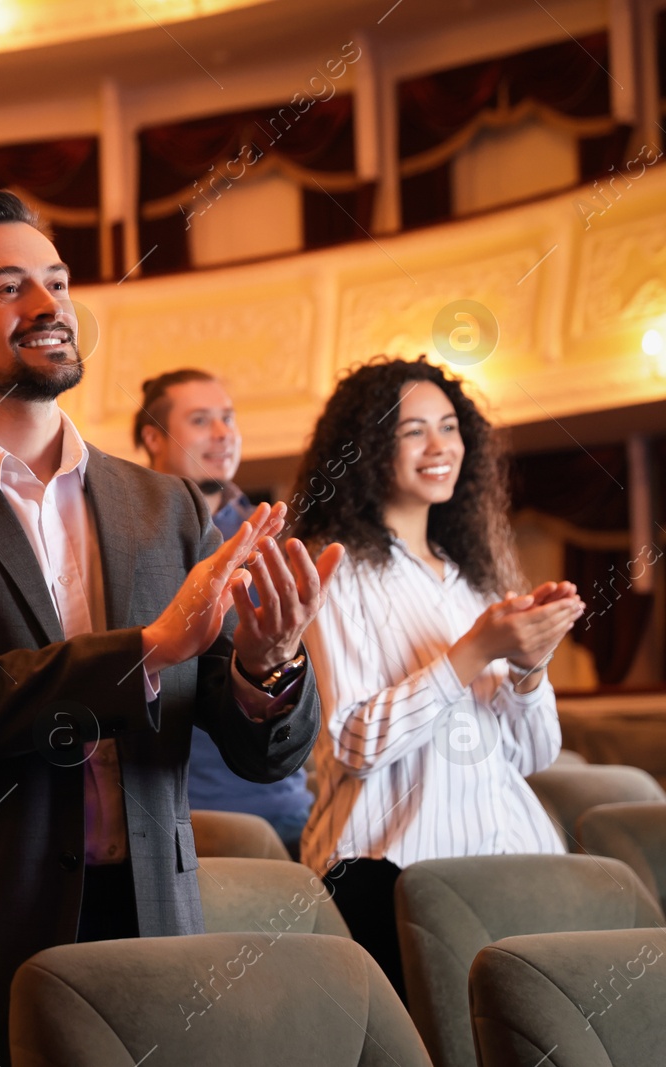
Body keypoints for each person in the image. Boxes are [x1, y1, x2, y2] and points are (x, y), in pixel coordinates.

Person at [0, 190, 343, 1065]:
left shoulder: (161, 503)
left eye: (57, 281)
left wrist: (266, 667)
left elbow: (260, 752)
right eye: (11, 287)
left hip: (152, 914)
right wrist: (153, 647)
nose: (52, 306)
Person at [294, 356, 583, 1002]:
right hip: (392, 873)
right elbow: (355, 743)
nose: (440, 446)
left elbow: (535, 754)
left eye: (450, 427)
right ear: (367, 448)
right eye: (413, 430)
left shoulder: (473, 577)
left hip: (515, 863)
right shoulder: (336, 571)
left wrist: (532, 662)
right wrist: (475, 650)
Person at [136, 369, 312, 855]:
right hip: (196, 811)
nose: (222, 433)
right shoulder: (132, 536)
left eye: (228, 419)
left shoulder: (263, 527)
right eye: (200, 420)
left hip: (289, 798)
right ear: (153, 436)